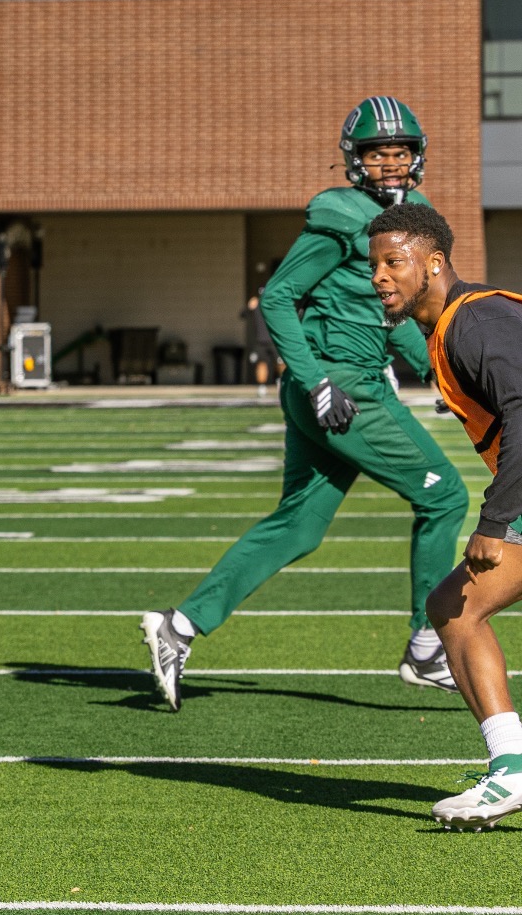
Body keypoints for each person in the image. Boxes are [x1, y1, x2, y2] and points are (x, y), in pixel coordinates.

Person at [141, 97, 467, 710]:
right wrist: (318, 381)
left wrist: (443, 373)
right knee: (445, 495)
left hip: (339, 381)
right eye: (378, 153)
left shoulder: (411, 219)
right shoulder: (341, 216)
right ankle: (427, 647)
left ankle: (178, 627)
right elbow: (279, 296)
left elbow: (389, 318)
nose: (391, 164)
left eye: (400, 152)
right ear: (356, 161)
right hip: (342, 385)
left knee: (299, 526)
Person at [367, 201, 522, 828]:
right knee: (452, 606)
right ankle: (509, 768)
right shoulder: (458, 323)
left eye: (393, 262)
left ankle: (511, 770)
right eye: (373, 264)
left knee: (456, 606)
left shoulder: (473, 321)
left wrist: (493, 523)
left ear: (434, 263)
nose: (379, 276)